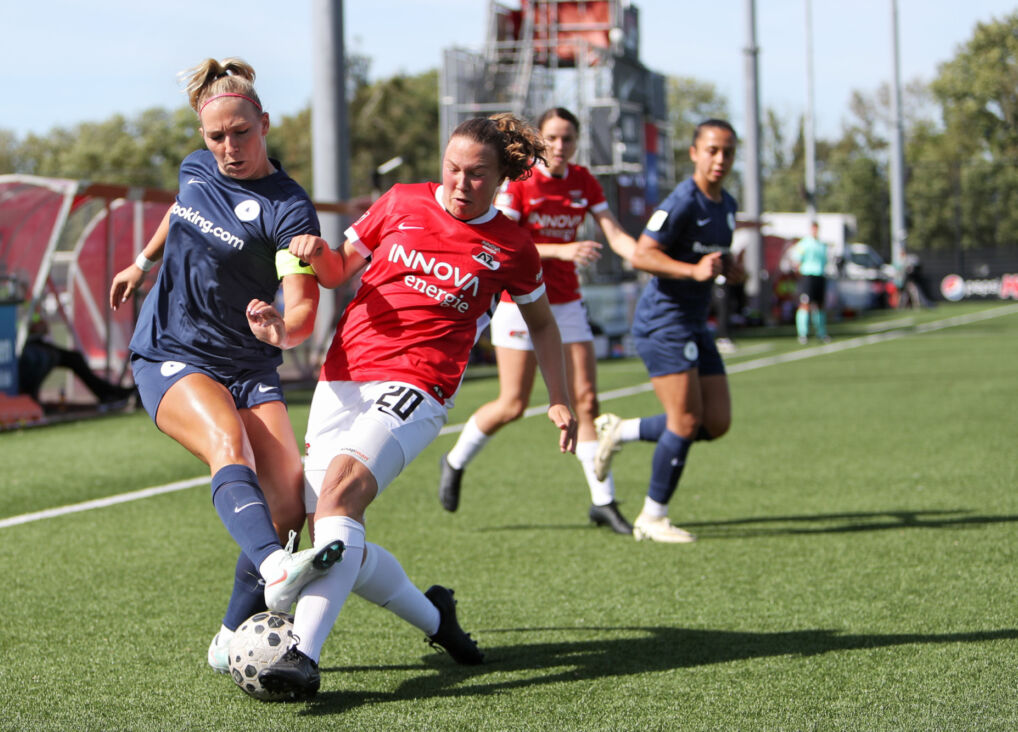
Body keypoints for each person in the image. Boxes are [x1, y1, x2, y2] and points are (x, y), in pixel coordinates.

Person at [258, 114, 578, 698]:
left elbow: (544, 326)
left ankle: (301, 656)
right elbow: (336, 273)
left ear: (503, 177)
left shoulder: (511, 244)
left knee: (341, 494)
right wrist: (314, 251)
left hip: (420, 386)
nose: (460, 183)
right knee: (330, 527)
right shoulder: (400, 201)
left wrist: (560, 399)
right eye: (452, 169)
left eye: (477, 175)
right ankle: (438, 620)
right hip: (343, 375)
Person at [108, 58, 345, 674]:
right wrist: (141, 262)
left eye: (241, 132)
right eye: (216, 136)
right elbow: (179, 209)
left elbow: (300, 311)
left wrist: (281, 330)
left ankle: (227, 636)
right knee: (228, 445)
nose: (229, 147)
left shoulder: (289, 210)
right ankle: (276, 569)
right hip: (171, 350)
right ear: (202, 135)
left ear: (264, 123)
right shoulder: (196, 169)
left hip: (247, 362)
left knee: (290, 501)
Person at [436, 107, 637, 534]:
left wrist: (644, 255)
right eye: (553, 138)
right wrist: (563, 250)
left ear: (577, 142)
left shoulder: (584, 181)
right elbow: (509, 244)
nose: (561, 146)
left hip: (567, 303)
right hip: (520, 303)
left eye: (568, 138)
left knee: (586, 400)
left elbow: (615, 233)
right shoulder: (521, 183)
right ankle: (454, 460)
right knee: (513, 404)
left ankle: (604, 500)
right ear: (539, 141)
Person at [592, 119, 745, 543]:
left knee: (714, 423)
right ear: (694, 152)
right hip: (664, 323)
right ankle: (651, 518)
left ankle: (621, 431)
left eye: (728, 152)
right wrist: (694, 271)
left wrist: (728, 270)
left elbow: (712, 260)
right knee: (685, 420)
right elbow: (642, 254)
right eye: (712, 150)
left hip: (695, 323)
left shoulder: (727, 205)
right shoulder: (682, 201)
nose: (720, 159)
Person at [18, 313, 135, 405]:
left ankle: (108, 394)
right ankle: (30, 399)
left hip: (32, 343)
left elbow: (36, 320)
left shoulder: (28, 295)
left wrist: (38, 325)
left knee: (74, 358)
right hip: (21, 347)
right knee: (42, 359)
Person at [786, 220, 830, 344]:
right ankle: (803, 333)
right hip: (807, 276)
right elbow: (796, 259)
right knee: (805, 303)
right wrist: (799, 273)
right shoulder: (804, 244)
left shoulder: (821, 245)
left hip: (819, 275)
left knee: (819, 305)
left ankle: (821, 332)